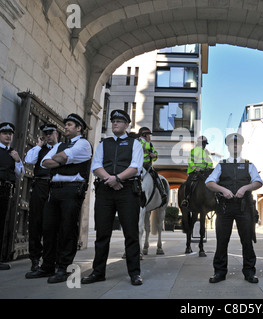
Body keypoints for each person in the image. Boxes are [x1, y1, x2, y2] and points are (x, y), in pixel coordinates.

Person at [25, 113, 92, 283]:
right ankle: (47, 266)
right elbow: (44, 163)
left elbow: (60, 158)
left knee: (67, 230)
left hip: (72, 190)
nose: (66, 127)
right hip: (54, 190)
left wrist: (60, 159)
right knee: (48, 229)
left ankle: (64, 268)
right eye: (66, 124)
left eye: (70, 124)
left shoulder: (84, 144)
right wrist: (61, 160)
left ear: (79, 128)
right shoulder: (61, 144)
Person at [82, 110, 144, 286]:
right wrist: (110, 180)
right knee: (102, 234)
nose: (115, 123)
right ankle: (98, 272)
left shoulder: (135, 144)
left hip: (128, 191)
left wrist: (117, 178)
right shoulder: (104, 143)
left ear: (127, 125)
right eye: (113, 121)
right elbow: (96, 166)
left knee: (131, 234)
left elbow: (135, 167)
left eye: (119, 121)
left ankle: (135, 273)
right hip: (105, 191)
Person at [205, 133, 262, 284]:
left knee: (247, 241)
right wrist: (222, 190)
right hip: (225, 207)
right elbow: (209, 182)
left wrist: (245, 187)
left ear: (241, 146)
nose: (235, 146)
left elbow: (258, 182)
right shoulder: (221, 164)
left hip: (245, 207)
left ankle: (249, 272)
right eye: (232, 144)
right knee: (222, 240)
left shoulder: (249, 164)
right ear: (228, 147)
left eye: (237, 143)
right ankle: (220, 272)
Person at [24, 123, 59, 271]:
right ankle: (35, 258)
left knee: (53, 224)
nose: (48, 136)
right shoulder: (40, 150)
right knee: (36, 222)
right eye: (46, 134)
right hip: (40, 186)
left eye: (51, 133)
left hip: (55, 186)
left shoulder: (62, 148)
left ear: (57, 133)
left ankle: (51, 257)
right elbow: (29, 161)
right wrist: (38, 145)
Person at [0, 122, 24, 270]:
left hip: (5, 191)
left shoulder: (14, 153)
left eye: (10, 133)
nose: (8, 136)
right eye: (4, 133)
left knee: (1, 225)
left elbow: (20, 174)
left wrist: (17, 160)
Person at [181, 135, 213, 208]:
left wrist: (208, 168)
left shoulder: (206, 152)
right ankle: (186, 199)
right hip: (194, 172)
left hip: (204, 172)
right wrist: (195, 168)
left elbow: (210, 162)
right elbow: (190, 161)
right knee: (189, 183)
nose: (204, 145)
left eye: (205, 143)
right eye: (203, 143)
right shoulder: (194, 150)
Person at [138, 127, 167, 203]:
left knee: (156, 175)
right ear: (144, 134)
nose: (149, 136)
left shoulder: (150, 144)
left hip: (148, 166)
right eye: (148, 134)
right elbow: (143, 147)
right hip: (139, 165)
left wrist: (155, 155)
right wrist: (148, 141)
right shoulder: (138, 141)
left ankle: (162, 192)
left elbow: (155, 152)